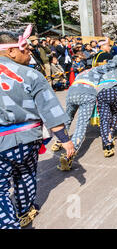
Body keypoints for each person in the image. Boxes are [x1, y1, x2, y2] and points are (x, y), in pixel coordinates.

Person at [0, 27, 75, 229]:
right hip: (27, 140)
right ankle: (24, 212)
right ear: (11, 51)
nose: (30, 52)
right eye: (25, 49)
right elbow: (50, 110)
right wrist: (65, 140)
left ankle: (8, 222)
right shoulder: (31, 75)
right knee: (25, 175)